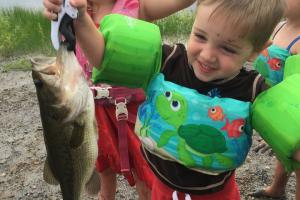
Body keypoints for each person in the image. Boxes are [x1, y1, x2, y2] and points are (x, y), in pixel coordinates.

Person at [43, 0, 286, 199]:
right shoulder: (168, 61)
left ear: (257, 50)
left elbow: (288, 133)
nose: (208, 55)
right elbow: (105, 56)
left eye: (228, 49)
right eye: (200, 36)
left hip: (216, 194)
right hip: (162, 188)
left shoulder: (255, 89)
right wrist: (80, 19)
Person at [43, 0, 197, 200]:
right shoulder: (72, 11)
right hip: (93, 112)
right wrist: (56, 8)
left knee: (146, 179)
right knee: (102, 171)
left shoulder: (140, 6)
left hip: (136, 113)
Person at [249, 0, 300, 199]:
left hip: (291, 114)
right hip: (273, 104)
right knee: (282, 154)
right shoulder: (279, 26)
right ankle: (277, 188)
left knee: (298, 166)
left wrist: (285, 127)